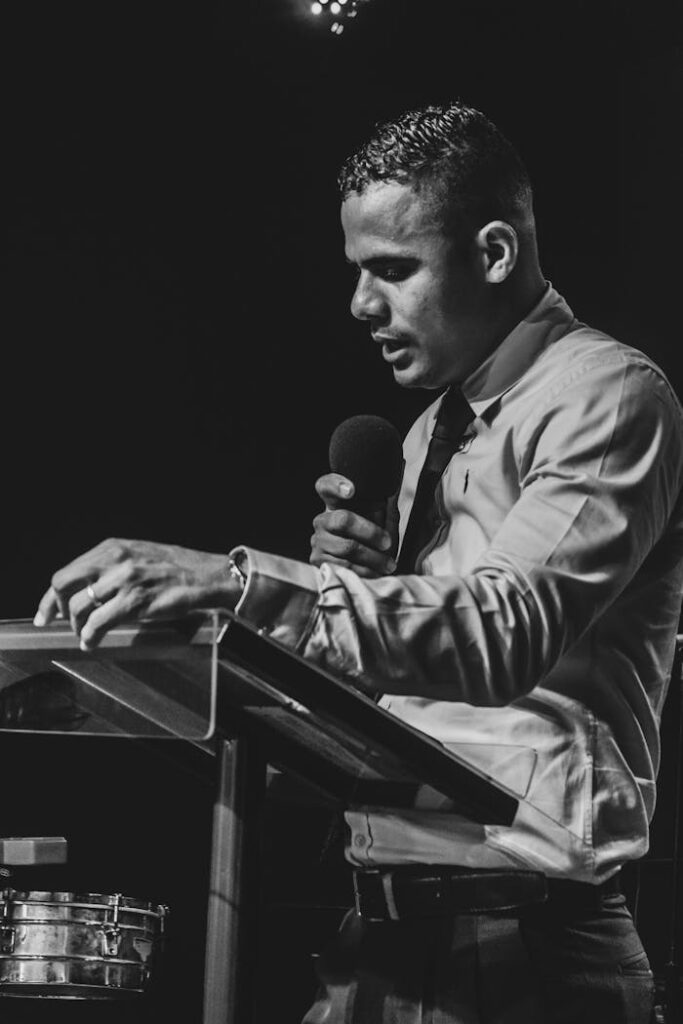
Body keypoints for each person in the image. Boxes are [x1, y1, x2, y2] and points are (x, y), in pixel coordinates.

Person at [33, 102, 683, 1022]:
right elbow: (406, 702)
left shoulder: (609, 397)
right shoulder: (425, 435)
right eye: (356, 271)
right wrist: (354, 597)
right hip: (372, 940)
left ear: (493, 253)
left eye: (392, 270)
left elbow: (506, 632)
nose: (359, 305)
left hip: (524, 949)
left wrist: (244, 587)